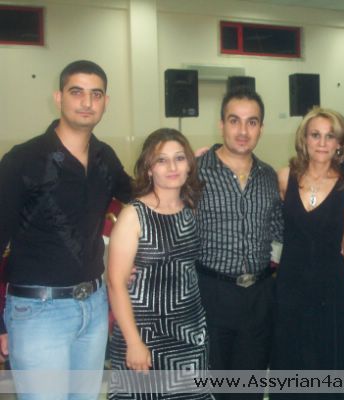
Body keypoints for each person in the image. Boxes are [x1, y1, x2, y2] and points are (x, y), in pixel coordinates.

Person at [0, 60, 131, 399]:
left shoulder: (104, 157)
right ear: (59, 97)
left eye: (96, 94)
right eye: (77, 92)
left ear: (105, 102)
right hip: (38, 312)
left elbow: (140, 198)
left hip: (94, 306)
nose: (87, 102)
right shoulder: (23, 160)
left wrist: (181, 166)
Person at [107, 128, 212, 399]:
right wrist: (133, 342)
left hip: (190, 333)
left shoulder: (191, 209)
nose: (172, 167)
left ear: (189, 165)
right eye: (161, 160)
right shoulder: (134, 215)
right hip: (144, 335)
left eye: (179, 158)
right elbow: (116, 284)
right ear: (149, 168)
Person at [195, 88, 283, 400]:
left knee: (249, 390)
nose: (243, 131)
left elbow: (280, 231)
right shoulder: (194, 172)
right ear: (221, 124)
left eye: (252, 122)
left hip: (259, 298)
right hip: (210, 294)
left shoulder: (269, 176)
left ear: (261, 127)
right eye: (234, 121)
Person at [270, 107, 344, 400]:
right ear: (304, 140)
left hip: (332, 289)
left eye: (329, 136)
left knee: (329, 366)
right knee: (291, 364)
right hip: (290, 286)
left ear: (339, 144)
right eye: (315, 135)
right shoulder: (284, 178)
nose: (322, 143)